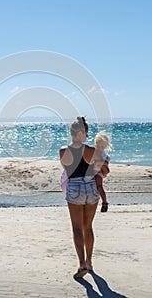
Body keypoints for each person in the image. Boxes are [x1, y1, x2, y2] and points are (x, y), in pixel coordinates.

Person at [59, 116, 110, 279]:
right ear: (81, 133)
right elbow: (105, 171)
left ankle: (81, 263)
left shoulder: (62, 151)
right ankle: (89, 262)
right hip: (90, 187)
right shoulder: (90, 151)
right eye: (86, 133)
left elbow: (68, 170)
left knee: (76, 227)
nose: (87, 137)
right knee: (87, 226)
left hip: (74, 186)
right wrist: (103, 165)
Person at [94, 131, 111, 212]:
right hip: (90, 171)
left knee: (99, 186)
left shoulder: (104, 155)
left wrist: (100, 162)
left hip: (99, 172)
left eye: (102, 147)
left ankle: (104, 202)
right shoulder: (92, 151)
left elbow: (105, 166)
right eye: (98, 146)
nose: (99, 148)